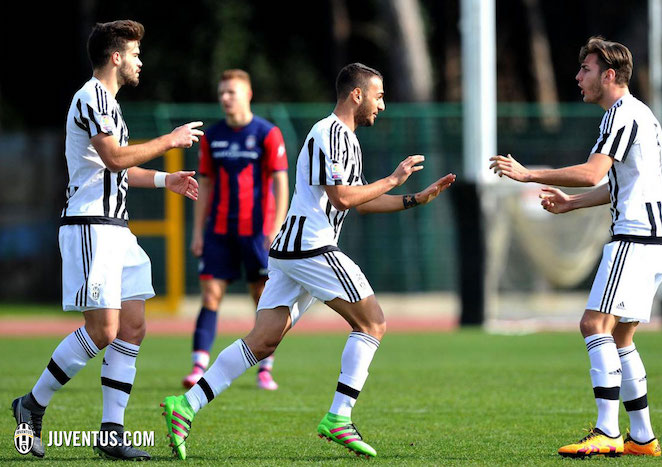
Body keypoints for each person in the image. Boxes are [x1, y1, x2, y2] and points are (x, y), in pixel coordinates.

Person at [161, 62, 456, 460]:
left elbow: (361, 203)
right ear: (357, 94)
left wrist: (415, 199)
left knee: (263, 341)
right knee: (373, 323)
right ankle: (339, 416)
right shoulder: (329, 132)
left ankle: (186, 406)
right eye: (379, 96)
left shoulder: (347, 139)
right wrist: (393, 179)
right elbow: (342, 198)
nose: (381, 106)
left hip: (292, 251)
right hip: (310, 247)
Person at [11, 20, 203, 460]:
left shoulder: (110, 105)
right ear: (115, 57)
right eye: (135, 53)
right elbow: (115, 156)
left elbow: (118, 167)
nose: (140, 61)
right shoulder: (91, 97)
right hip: (91, 226)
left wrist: (164, 179)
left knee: (132, 327)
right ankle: (31, 405)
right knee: (103, 330)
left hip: (117, 229)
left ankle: (111, 433)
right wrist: (169, 141)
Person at [490, 36, 662, 458]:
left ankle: (608, 431)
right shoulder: (643, 116)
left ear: (609, 75)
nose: (577, 77)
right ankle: (642, 438)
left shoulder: (620, 115)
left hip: (636, 237)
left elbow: (592, 173)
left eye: (585, 70)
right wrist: (570, 203)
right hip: (656, 240)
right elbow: (617, 183)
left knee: (593, 326)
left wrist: (528, 173)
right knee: (621, 338)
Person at [182, 69, 289, 391]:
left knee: (263, 298)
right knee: (211, 295)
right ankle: (199, 365)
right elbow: (206, 184)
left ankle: (265, 368)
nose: (225, 98)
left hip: (258, 232)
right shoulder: (213, 136)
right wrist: (198, 232)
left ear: (248, 94)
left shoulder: (268, 133)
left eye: (231, 92)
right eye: (222, 93)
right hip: (218, 230)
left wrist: (277, 227)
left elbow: (281, 182)